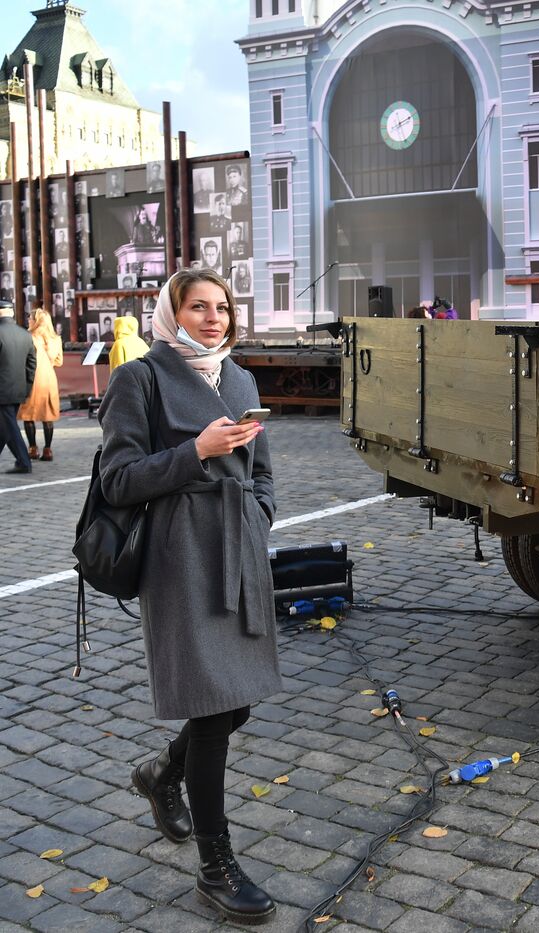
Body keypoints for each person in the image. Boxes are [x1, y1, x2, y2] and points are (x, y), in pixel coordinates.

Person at [100, 268, 279, 923]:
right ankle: (216, 866)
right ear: (172, 312)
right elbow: (118, 480)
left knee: (237, 705)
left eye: (222, 306)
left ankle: (161, 773)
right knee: (212, 711)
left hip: (237, 549)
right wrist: (194, 452)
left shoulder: (239, 378)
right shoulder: (139, 379)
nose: (213, 317)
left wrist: (260, 512)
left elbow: (262, 471)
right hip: (180, 560)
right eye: (198, 306)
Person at [18, 308, 62, 462]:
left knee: (28, 414)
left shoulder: (29, 337)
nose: (29, 320)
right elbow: (59, 361)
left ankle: (32, 448)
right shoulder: (56, 339)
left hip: (31, 378)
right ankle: (48, 449)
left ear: (36, 321)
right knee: (47, 415)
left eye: (30, 318)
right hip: (49, 378)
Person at [0, 300, 36, 474]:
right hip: (19, 388)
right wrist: (27, 387)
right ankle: (23, 461)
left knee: (9, 425)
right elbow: (31, 364)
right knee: (5, 424)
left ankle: (23, 461)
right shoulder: (25, 334)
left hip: (2, 390)